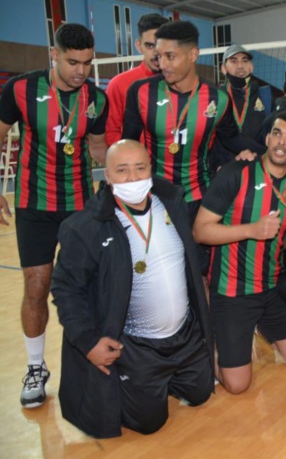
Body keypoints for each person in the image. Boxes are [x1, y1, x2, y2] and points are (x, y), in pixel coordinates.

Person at [51, 140, 214, 438]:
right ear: (107, 175)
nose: (133, 177)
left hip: (184, 335)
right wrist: (88, 342)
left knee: (202, 393)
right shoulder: (85, 226)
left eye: (140, 168)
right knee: (149, 425)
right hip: (137, 344)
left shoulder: (173, 203)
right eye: (122, 170)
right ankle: (138, 381)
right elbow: (66, 290)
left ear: (151, 168)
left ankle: (167, 378)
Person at [0, 23, 108, 408]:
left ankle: (93, 365)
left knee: (89, 289)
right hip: (34, 204)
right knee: (36, 287)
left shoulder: (96, 99)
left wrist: (127, 177)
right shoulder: (20, 89)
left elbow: (98, 150)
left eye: (87, 63)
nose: (81, 70)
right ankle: (34, 367)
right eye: (72, 61)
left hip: (81, 206)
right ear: (54, 54)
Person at [193, 111, 286, 394]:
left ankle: (256, 329)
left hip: (269, 290)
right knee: (237, 385)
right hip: (232, 293)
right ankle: (207, 344)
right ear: (268, 137)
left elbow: (283, 241)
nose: (282, 142)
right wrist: (251, 230)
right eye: (277, 133)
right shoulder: (237, 173)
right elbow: (200, 231)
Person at [122, 20, 240, 238]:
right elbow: (126, 144)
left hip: (199, 199)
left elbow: (233, 139)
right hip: (152, 197)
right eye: (159, 56)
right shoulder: (140, 92)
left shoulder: (218, 99)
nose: (162, 64)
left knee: (198, 268)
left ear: (193, 54)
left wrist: (268, 153)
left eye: (170, 56)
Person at [105, 13, 169, 145]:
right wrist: (130, 161)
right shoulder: (119, 84)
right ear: (139, 45)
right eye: (150, 46)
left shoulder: (182, 83)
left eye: (161, 46)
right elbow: (110, 132)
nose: (156, 53)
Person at [212, 44, 269, 168]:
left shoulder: (266, 96)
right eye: (233, 61)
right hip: (225, 169)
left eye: (245, 60)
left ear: (251, 67)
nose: (240, 66)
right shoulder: (215, 98)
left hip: (259, 167)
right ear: (223, 68)